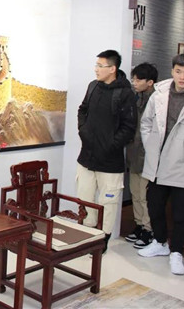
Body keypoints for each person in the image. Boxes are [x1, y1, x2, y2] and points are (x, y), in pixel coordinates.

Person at [138, 54, 184, 275]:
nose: (182, 77)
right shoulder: (159, 94)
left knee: (181, 212)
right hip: (157, 162)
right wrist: (150, 145)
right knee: (154, 205)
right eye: (178, 71)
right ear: (172, 71)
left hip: (183, 163)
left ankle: (177, 252)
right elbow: (146, 122)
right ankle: (160, 242)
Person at [77, 49, 137, 253]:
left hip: (110, 161)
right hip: (86, 156)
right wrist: (83, 130)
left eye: (100, 66)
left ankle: (103, 238)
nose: (96, 69)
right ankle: (88, 233)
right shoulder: (93, 86)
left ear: (112, 69)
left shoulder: (125, 93)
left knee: (108, 202)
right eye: (96, 65)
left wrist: (110, 145)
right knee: (85, 197)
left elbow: (129, 128)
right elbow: (82, 110)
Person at [125, 63, 158, 249]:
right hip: (134, 153)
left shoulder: (157, 101)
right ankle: (139, 224)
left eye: (138, 80)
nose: (134, 83)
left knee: (146, 196)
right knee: (135, 193)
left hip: (148, 156)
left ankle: (149, 229)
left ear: (150, 82)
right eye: (134, 79)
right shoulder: (136, 98)